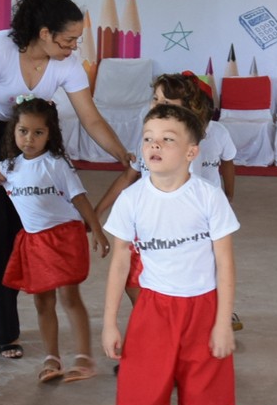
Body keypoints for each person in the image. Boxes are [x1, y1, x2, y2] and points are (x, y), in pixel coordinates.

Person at [0, 0, 129, 359]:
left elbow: (90, 119)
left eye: (78, 40)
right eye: (69, 39)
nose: (75, 47)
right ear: (44, 34)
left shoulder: (67, 63)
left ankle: (10, 318)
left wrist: (123, 156)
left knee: (21, 225)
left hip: (18, 133)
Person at [102, 102, 238, 405]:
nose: (154, 146)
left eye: (167, 139)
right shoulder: (131, 199)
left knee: (198, 398)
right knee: (149, 395)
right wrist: (110, 321)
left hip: (202, 308)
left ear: (192, 152)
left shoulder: (209, 198)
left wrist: (222, 323)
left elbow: (225, 263)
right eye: (148, 139)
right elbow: (121, 261)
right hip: (153, 310)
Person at [0, 98, 108, 384]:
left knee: (69, 297)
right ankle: (51, 358)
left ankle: (84, 357)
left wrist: (97, 230)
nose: (29, 138)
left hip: (65, 236)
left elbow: (79, 198)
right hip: (34, 242)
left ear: (49, 134)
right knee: (42, 302)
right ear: (13, 132)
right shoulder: (8, 167)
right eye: (23, 131)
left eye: (38, 132)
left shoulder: (56, 164)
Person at [92, 72, 241, 331]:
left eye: (168, 102)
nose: (158, 105)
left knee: (198, 277)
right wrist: (96, 213)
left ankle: (203, 319)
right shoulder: (150, 143)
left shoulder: (200, 147)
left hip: (192, 226)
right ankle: (157, 328)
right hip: (150, 223)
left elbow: (226, 165)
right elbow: (130, 176)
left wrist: (228, 195)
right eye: (155, 98)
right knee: (133, 279)